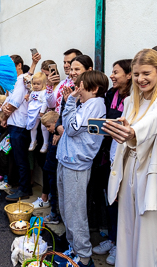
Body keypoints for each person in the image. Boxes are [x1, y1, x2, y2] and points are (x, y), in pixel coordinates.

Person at [103, 49, 157, 267]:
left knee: (149, 244)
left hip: (153, 176)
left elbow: (156, 120)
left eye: (146, 73)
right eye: (136, 74)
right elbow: (121, 141)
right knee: (126, 236)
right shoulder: (130, 101)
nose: (140, 79)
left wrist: (133, 132)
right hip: (128, 170)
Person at [55, 71, 108, 267]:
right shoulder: (86, 104)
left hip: (76, 164)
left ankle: (84, 258)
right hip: (67, 161)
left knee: (75, 212)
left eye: (81, 86)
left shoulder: (95, 104)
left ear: (93, 89)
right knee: (67, 210)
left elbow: (71, 128)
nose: (78, 90)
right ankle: (74, 250)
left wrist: (70, 101)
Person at [91, 59, 132, 266]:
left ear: (129, 75)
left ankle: (120, 245)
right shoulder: (110, 95)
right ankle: (112, 239)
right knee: (110, 198)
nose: (112, 76)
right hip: (106, 154)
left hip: (124, 156)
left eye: (116, 72)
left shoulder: (134, 98)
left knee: (120, 201)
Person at [2, 52, 41, 201]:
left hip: (19, 125)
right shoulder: (16, 81)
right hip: (15, 124)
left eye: (11, 66)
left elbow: (14, 103)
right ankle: (21, 187)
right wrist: (5, 109)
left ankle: (24, 189)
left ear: (19, 66)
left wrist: (6, 113)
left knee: (21, 159)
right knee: (18, 159)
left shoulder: (21, 80)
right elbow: (9, 103)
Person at [40, 111, 61, 224]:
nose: (47, 129)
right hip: (50, 169)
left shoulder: (59, 137)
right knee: (53, 194)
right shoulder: (53, 135)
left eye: (49, 126)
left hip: (55, 170)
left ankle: (55, 215)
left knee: (56, 195)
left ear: (56, 122)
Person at [27, 72, 49, 153]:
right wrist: (27, 98)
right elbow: (30, 100)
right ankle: (33, 141)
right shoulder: (32, 92)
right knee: (33, 127)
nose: (36, 85)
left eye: (38, 84)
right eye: (34, 83)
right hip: (33, 112)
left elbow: (45, 102)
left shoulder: (44, 92)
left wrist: (42, 111)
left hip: (40, 112)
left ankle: (45, 143)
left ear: (43, 84)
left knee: (43, 128)